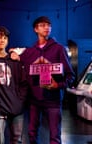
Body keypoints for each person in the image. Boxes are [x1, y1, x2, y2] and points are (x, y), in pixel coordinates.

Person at [10, 16, 75, 144]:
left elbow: (70, 76)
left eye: (48, 25)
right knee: (32, 134)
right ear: (36, 29)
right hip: (34, 101)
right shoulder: (30, 52)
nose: (47, 27)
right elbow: (16, 56)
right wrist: (14, 54)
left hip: (53, 101)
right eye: (42, 25)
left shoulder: (59, 49)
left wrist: (58, 85)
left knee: (55, 136)